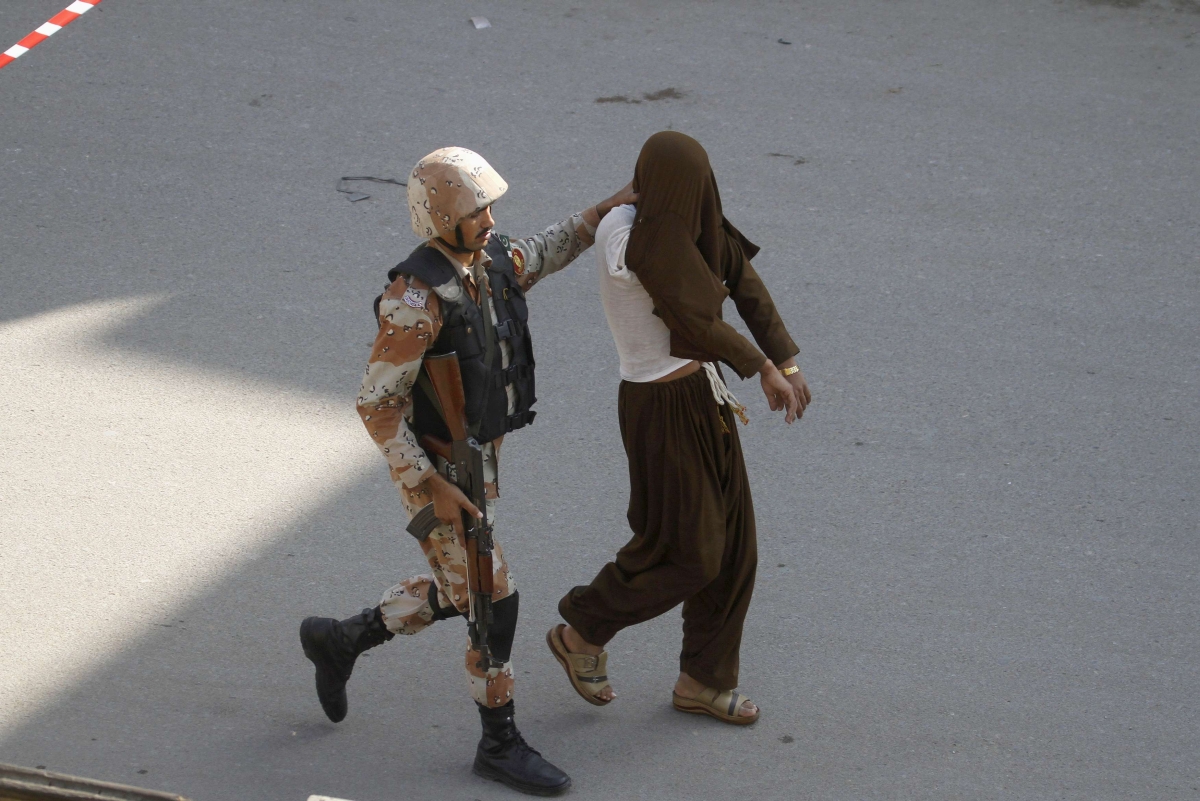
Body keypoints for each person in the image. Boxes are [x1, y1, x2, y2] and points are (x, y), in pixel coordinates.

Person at [300, 147, 633, 795]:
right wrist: (431, 483)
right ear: (441, 219)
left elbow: (547, 248)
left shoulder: (489, 263)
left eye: (488, 207)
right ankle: (498, 742)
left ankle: (341, 640)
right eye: (475, 210)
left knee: (463, 591)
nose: (489, 217)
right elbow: (377, 405)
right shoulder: (413, 300)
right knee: (492, 598)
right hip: (432, 472)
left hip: (470, 464)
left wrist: (607, 206)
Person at [547, 131, 811, 725]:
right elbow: (693, 313)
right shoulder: (631, 238)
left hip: (703, 398)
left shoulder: (682, 220)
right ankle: (582, 630)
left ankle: (704, 681)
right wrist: (763, 368)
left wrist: (786, 358)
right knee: (689, 554)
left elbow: (740, 277)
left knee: (735, 547)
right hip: (660, 411)